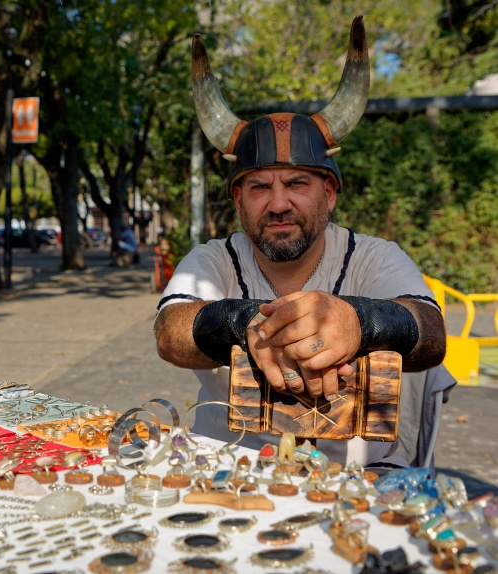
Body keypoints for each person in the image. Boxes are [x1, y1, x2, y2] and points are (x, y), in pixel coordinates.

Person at [154, 16, 451, 467]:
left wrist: (359, 322)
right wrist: (245, 323)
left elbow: (430, 333)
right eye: (258, 187)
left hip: (355, 480)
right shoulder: (212, 259)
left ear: (328, 195)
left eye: (297, 183)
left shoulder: (375, 257)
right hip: (228, 472)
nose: (277, 204)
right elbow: (169, 330)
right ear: (238, 199)